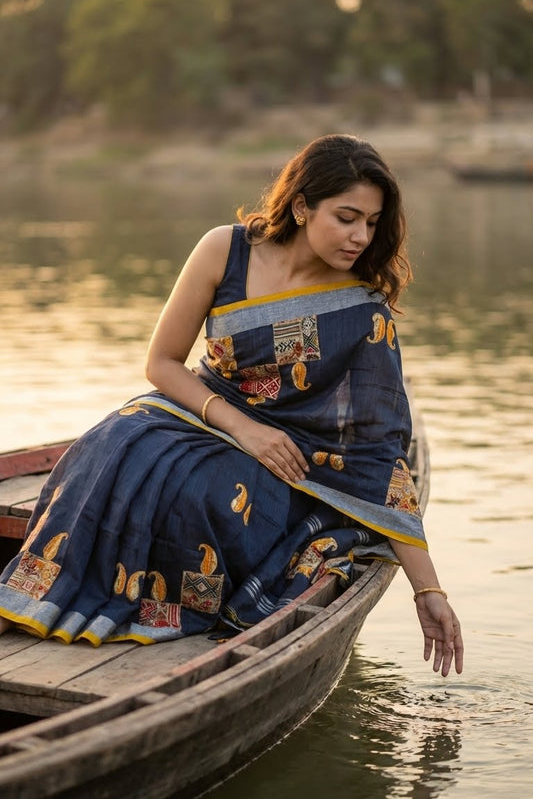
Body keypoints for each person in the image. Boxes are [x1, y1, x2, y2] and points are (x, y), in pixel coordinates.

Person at [0, 134, 463, 676]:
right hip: (199, 411)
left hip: (295, 461)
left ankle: (148, 606)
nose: (361, 236)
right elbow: (163, 363)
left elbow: (379, 451)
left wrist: (426, 587)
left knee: (206, 495)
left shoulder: (361, 311)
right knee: (111, 442)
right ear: (300, 206)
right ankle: (31, 595)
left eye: (372, 222)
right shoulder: (227, 249)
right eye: (346, 217)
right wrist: (243, 428)